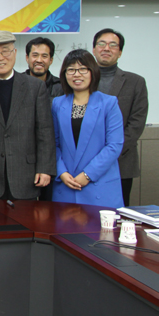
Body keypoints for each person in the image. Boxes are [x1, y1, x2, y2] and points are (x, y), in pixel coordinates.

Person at [0, 31, 55, 201]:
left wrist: (45, 168)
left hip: (26, 175)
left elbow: (45, 131)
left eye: (5, 51)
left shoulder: (35, 87)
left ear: (15, 53)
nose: (0, 58)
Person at [52, 49, 124, 208]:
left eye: (83, 69)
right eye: (71, 70)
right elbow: (53, 143)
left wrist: (88, 174)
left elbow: (114, 145)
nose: (76, 74)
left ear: (93, 72)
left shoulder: (109, 103)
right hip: (66, 184)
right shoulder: (57, 104)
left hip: (99, 185)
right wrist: (61, 172)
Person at [92, 29, 148, 207]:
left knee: (117, 214)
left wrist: (110, 153)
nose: (106, 48)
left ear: (120, 52)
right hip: (84, 162)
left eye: (113, 45)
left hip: (121, 162)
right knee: (84, 213)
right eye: (101, 44)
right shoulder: (80, 79)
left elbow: (136, 124)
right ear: (94, 49)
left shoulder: (136, 82)